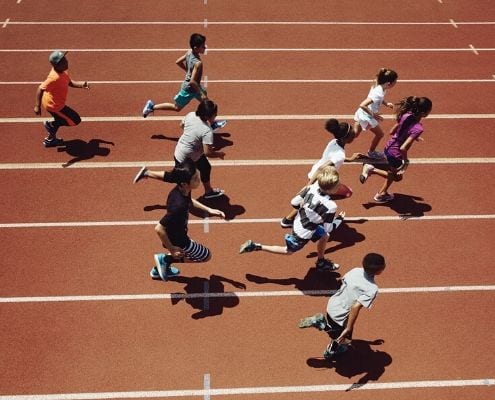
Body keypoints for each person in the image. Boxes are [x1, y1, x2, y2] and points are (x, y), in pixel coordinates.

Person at [239, 166, 345, 271]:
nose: (340, 185)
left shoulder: (312, 187)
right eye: (338, 184)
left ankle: (321, 261)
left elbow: (294, 202)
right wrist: (339, 219)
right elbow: (328, 228)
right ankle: (256, 246)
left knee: (325, 236)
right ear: (332, 190)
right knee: (288, 251)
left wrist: (307, 207)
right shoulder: (331, 206)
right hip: (303, 233)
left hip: (299, 221)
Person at [145, 158, 225, 281]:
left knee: (188, 254)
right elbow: (159, 228)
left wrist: (209, 210)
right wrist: (171, 248)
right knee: (206, 256)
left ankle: (159, 269)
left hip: (177, 234)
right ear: (184, 183)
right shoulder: (179, 206)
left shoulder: (181, 191)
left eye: (197, 176)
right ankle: (165, 259)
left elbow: (189, 201)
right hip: (179, 240)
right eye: (195, 179)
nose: (199, 180)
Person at [298, 252, 386, 360]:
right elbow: (355, 307)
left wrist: (371, 343)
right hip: (340, 315)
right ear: (379, 270)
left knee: (340, 335)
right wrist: (348, 328)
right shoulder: (372, 289)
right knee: (343, 339)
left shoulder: (355, 270)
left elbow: (342, 282)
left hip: (332, 304)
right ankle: (323, 330)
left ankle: (329, 335)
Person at [134, 99, 225, 199]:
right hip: (183, 159)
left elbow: (181, 125)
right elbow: (208, 152)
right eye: (215, 115)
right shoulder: (207, 131)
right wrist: (219, 154)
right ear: (207, 116)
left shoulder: (191, 115)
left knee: (205, 167)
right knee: (177, 179)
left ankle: (208, 191)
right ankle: (147, 173)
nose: (216, 117)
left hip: (189, 152)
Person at [141, 33, 226, 131]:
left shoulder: (189, 52)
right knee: (177, 108)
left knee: (207, 104)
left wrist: (188, 71)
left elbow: (178, 62)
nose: (205, 48)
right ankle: (152, 107)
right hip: (189, 90)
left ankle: (213, 124)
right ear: (196, 48)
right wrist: (201, 93)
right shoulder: (198, 63)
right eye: (203, 46)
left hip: (194, 88)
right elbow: (192, 82)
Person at [280, 118, 356, 228]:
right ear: (346, 138)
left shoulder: (334, 143)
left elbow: (333, 158)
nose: (354, 136)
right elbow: (323, 168)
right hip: (320, 180)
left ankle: (288, 219)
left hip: (314, 174)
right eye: (353, 135)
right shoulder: (340, 155)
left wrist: (350, 159)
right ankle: (315, 208)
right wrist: (308, 186)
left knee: (308, 199)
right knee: (348, 193)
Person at [359, 96, 433, 203]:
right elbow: (403, 148)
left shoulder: (406, 116)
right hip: (396, 154)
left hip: (388, 147)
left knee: (392, 172)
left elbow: (392, 131)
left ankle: (382, 193)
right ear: (424, 113)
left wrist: (412, 136)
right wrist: (405, 161)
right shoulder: (418, 128)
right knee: (397, 177)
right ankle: (372, 170)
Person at [34, 50, 90, 147]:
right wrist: (37, 106)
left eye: (65, 59)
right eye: (63, 61)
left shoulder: (63, 72)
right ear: (57, 65)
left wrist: (82, 85)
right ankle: (51, 125)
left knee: (59, 120)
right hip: (54, 106)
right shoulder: (54, 78)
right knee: (75, 120)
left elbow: (69, 82)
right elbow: (40, 88)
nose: (67, 61)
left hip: (53, 102)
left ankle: (50, 140)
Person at [353, 68, 398, 159]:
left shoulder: (380, 86)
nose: (395, 83)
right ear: (389, 83)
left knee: (355, 134)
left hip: (362, 113)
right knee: (380, 134)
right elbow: (362, 105)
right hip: (366, 115)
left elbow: (379, 98)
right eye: (395, 82)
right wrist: (374, 115)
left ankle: (340, 136)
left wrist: (386, 103)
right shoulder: (378, 93)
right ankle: (371, 152)